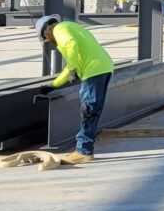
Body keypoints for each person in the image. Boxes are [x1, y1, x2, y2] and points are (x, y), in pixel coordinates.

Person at [35, 13, 115, 159]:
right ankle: (85, 148)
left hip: (93, 70)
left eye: (46, 39)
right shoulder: (70, 28)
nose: (49, 41)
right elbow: (70, 65)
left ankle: (83, 151)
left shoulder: (59, 29)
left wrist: (72, 69)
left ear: (46, 30)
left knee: (88, 110)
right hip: (102, 67)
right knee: (92, 110)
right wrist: (53, 85)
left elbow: (71, 45)